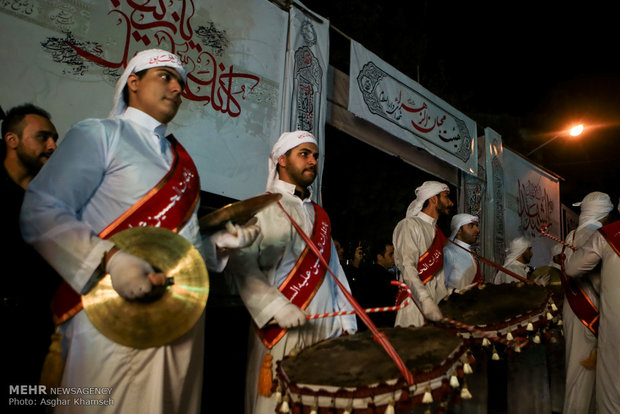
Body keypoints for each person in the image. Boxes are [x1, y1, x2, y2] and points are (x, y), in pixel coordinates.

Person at [19, 49, 259, 414]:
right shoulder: (99, 133)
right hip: (112, 317)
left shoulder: (183, 162)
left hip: (179, 321)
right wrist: (110, 259)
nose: (177, 87)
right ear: (133, 82)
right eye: (165, 76)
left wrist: (219, 247)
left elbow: (182, 248)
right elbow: (41, 211)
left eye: (181, 81)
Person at [225, 130, 357, 414]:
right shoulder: (260, 207)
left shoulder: (320, 215)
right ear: (282, 160)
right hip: (281, 327)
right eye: (304, 154)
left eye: (316, 156)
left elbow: (334, 274)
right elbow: (242, 264)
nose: (313, 161)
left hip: (325, 328)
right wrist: (275, 307)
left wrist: (347, 325)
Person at [1, 104, 61, 407]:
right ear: (12, 140)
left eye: (54, 139)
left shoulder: (55, 205)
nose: (52, 146)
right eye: (43, 137)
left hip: (36, 339)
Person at [564, 201, 620, 414]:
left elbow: (572, 268)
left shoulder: (605, 235)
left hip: (612, 325)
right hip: (592, 317)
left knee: (611, 393)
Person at [392, 180, 453, 327]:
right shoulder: (409, 225)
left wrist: (453, 292)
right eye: (446, 197)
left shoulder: (436, 231)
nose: (450, 203)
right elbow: (408, 267)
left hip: (436, 308)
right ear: (433, 199)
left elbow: (438, 278)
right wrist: (425, 299)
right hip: (414, 303)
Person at [355, 240, 398, 330]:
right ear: (380, 257)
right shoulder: (385, 277)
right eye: (391, 254)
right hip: (382, 325)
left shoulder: (366, 273)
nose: (394, 257)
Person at [443, 213, 484, 290]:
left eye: (476, 226)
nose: (477, 230)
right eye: (471, 226)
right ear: (458, 230)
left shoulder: (469, 253)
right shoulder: (448, 252)